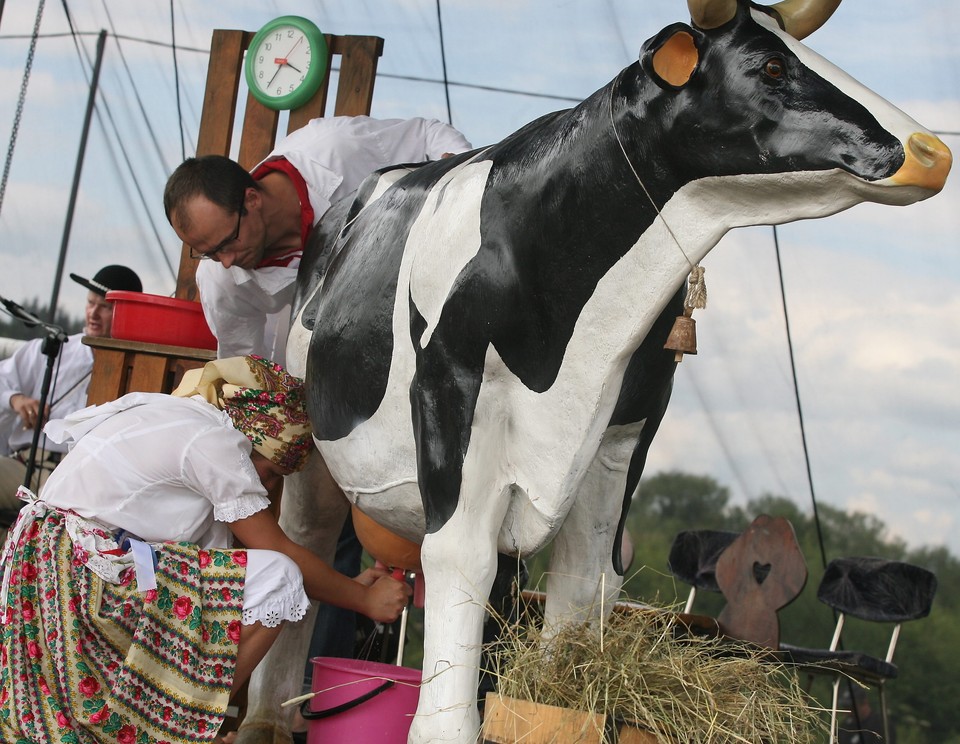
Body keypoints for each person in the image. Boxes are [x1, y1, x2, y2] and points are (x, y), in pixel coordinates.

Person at [0, 354, 410, 744]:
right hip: (82, 569)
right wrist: (364, 599)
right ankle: (188, 731)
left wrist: (347, 584)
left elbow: (226, 576)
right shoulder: (215, 441)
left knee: (239, 591)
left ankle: (175, 725)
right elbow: (279, 552)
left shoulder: (176, 414)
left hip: (44, 564)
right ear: (252, 439)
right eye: (270, 473)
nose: (268, 488)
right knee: (279, 578)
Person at [163, 114, 473, 366]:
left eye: (227, 242)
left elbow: (426, 135)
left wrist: (460, 170)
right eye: (210, 254)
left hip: (410, 295)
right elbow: (244, 368)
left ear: (252, 200)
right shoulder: (220, 280)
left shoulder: (337, 149)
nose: (227, 261)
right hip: (321, 354)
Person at [0, 264, 142, 535]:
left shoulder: (139, 369)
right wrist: (15, 399)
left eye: (105, 307)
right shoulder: (59, 348)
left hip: (76, 481)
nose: (93, 313)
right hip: (24, 464)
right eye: (90, 303)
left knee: (51, 522)